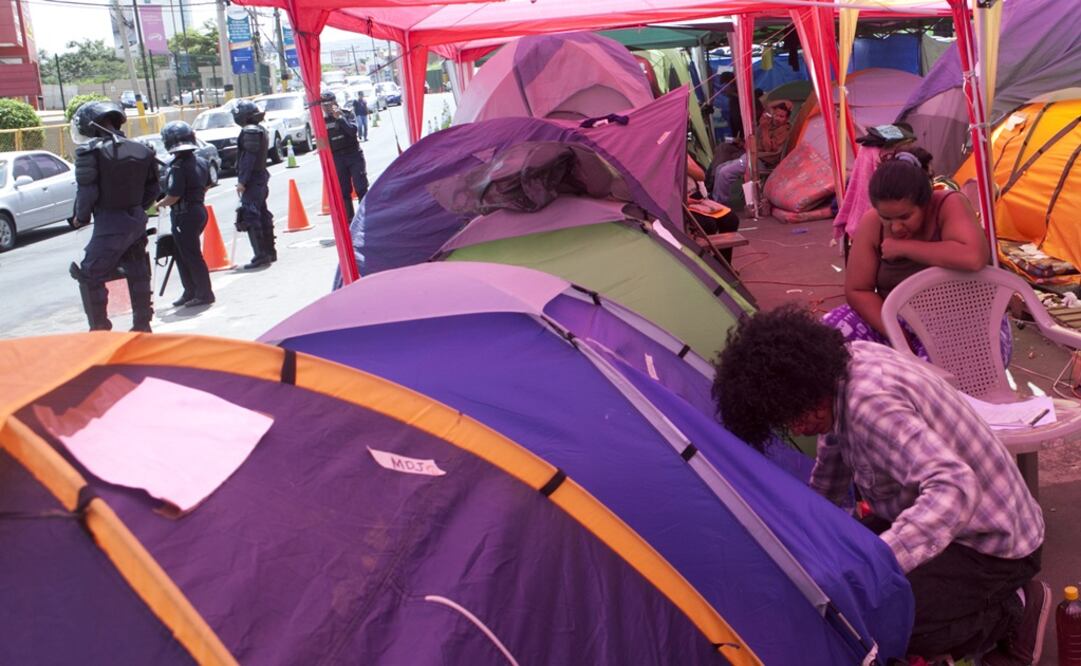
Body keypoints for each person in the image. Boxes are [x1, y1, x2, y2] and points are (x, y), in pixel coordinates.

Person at [713, 305, 1049, 665]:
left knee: (880, 618)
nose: (795, 429)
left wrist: (876, 564)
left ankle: (1016, 609)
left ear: (805, 385)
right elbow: (830, 469)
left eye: (793, 415)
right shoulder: (838, 373)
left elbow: (954, 486)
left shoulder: (868, 404)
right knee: (841, 587)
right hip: (941, 520)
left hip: (995, 546)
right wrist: (806, 541)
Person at [823, 149, 1012, 362]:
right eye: (887, 218)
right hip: (898, 323)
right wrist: (897, 334)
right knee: (825, 338)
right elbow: (858, 290)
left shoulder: (949, 204)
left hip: (966, 323)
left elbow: (973, 257)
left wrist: (905, 248)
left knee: (929, 377)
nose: (895, 227)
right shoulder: (872, 223)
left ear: (925, 202)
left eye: (905, 217)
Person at [68, 101, 160, 332]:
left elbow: (87, 191)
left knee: (89, 273)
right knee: (137, 268)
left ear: (93, 125)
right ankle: (142, 324)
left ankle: (100, 329)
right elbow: (153, 189)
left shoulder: (90, 152)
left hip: (109, 221)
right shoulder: (143, 149)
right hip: (137, 219)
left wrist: (81, 217)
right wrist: (137, 207)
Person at [158, 121, 214, 308]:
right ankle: (190, 291)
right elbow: (208, 183)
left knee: (191, 255)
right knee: (182, 254)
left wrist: (158, 205)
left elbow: (174, 196)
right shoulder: (202, 161)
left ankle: (204, 293)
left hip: (184, 214)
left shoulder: (177, 167)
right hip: (198, 211)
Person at [233, 99, 275, 270]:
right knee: (262, 213)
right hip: (259, 177)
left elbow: (249, 158)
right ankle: (269, 251)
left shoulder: (250, 131)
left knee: (251, 216)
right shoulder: (258, 130)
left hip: (254, 179)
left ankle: (261, 255)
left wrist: (242, 181)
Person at [321, 91, 369, 222]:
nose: (327, 108)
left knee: (361, 187)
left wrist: (340, 119)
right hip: (337, 158)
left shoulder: (346, 113)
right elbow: (321, 144)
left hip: (353, 154)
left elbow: (353, 131)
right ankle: (350, 221)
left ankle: (365, 219)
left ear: (335, 103)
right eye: (324, 105)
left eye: (329, 104)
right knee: (344, 191)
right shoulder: (321, 121)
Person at [756, 99, 792, 168]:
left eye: (781, 117)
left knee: (730, 170)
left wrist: (765, 130)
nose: (777, 118)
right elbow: (768, 106)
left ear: (787, 118)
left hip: (764, 161)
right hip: (754, 155)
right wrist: (783, 101)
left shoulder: (784, 131)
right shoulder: (769, 123)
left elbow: (768, 149)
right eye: (776, 115)